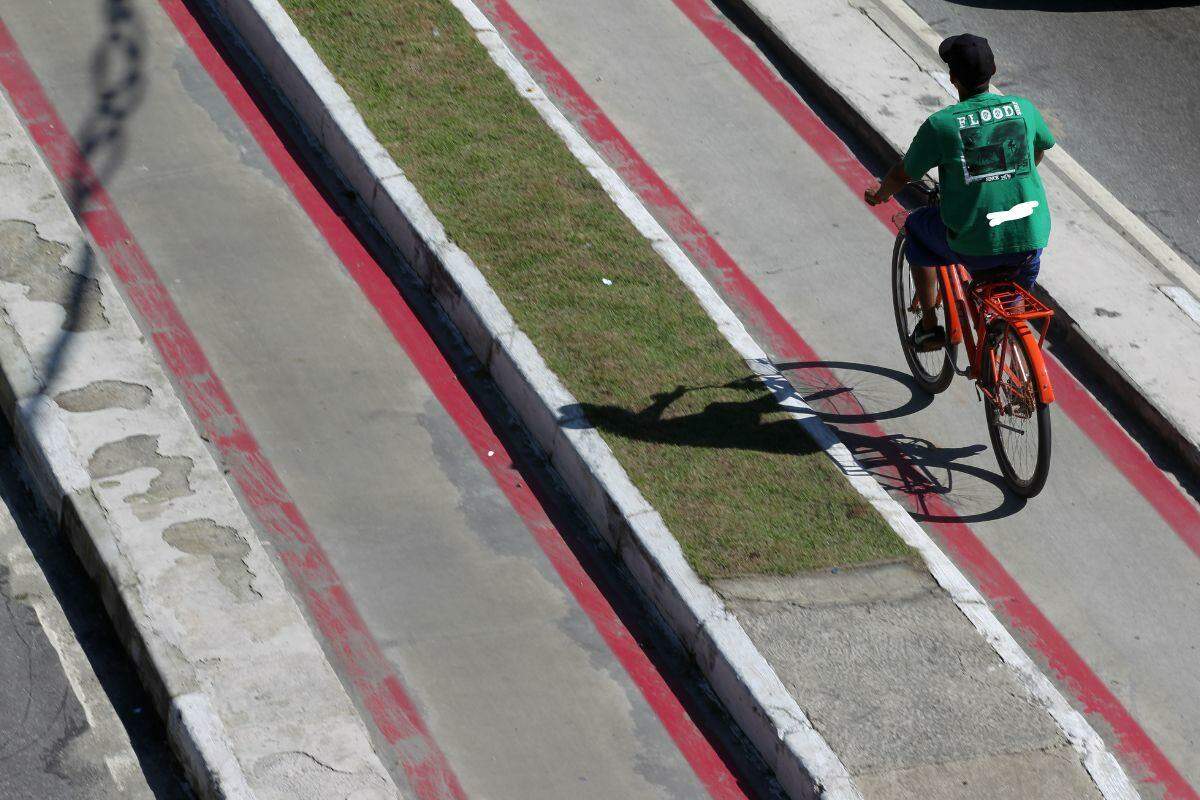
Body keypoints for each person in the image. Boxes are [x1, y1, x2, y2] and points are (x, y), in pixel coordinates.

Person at [864, 34, 1056, 351]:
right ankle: (1009, 346)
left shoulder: (942, 125)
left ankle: (929, 328)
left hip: (975, 247)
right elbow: (1038, 152)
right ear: (993, 69)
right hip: (1031, 241)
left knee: (915, 226)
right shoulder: (1023, 109)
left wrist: (881, 193)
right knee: (1012, 300)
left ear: (953, 78)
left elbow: (903, 173)